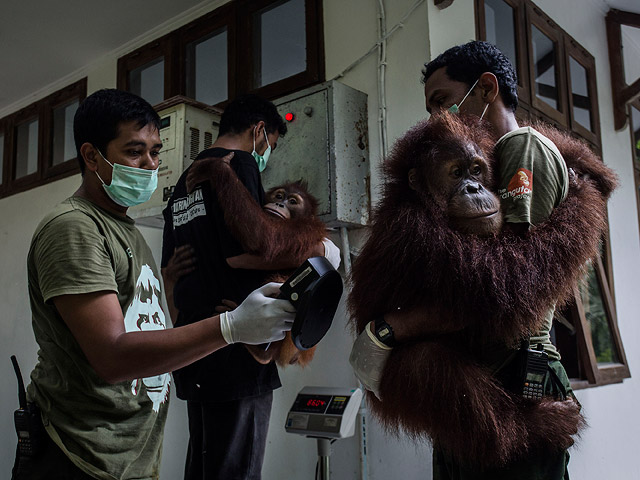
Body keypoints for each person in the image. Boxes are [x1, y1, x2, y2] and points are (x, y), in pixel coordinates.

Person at [12, 89, 296, 480]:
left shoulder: (128, 231)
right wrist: (230, 327)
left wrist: (170, 285)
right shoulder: (75, 228)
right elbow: (112, 357)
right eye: (134, 152)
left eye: (155, 152)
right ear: (92, 155)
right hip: (80, 456)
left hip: (131, 455)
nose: (150, 164)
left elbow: (152, 322)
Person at [349, 41, 574, 479]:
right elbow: (505, 287)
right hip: (467, 385)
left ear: (486, 88)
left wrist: (393, 330)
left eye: (443, 102)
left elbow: (513, 287)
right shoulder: (416, 217)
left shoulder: (517, 150)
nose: (438, 118)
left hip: (510, 374)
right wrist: (582, 203)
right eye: (460, 176)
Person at [161, 94, 340, 480]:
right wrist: (322, 249)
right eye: (270, 146)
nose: (266, 157)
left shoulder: (181, 185)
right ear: (260, 132)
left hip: (196, 347)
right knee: (237, 470)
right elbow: (253, 246)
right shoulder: (236, 164)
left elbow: (169, 269)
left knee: (204, 466)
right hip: (237, 349)